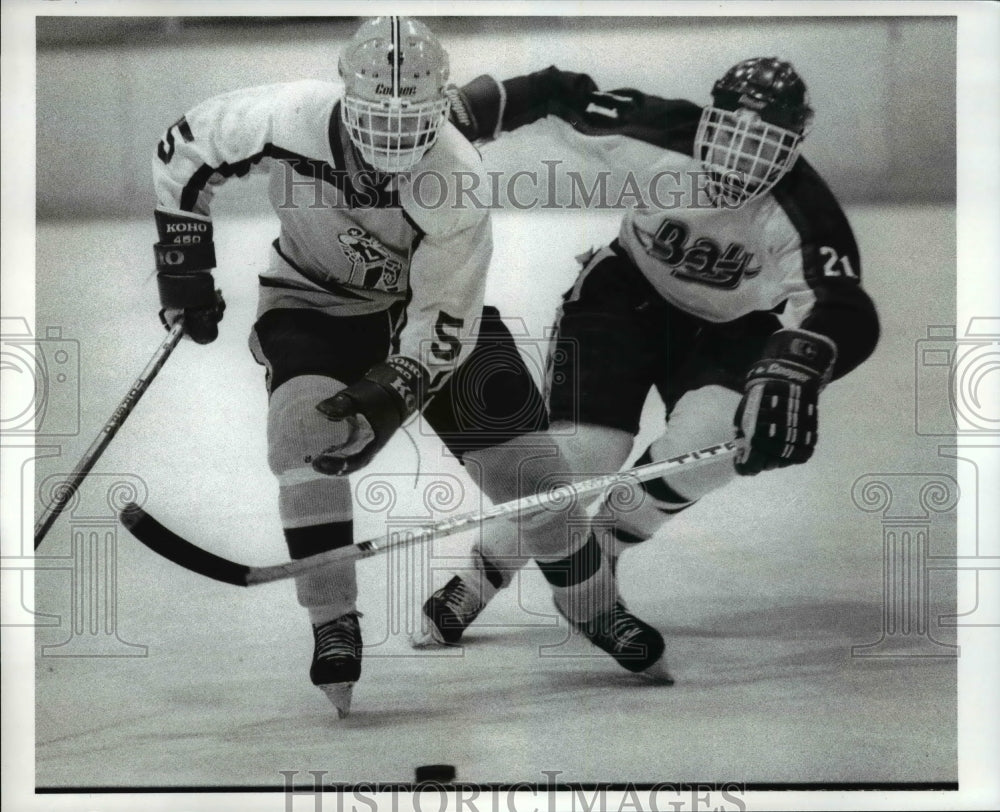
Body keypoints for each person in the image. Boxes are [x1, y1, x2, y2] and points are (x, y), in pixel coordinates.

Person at [150, 17, 668, 718]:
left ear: (442, 108)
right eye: (376, 120)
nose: (393, 146)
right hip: (313, 305)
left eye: (414, 123)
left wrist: (388, 395)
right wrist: (183, 266)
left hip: (424, 317)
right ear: (344, 97)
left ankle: (596, 609)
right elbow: (186, 150)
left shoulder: (457, 175)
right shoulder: (284, 115)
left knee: (535, 480)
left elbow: (442, 322)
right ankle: (333, 618)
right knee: (301, 435)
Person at [414, 59, 881, 662]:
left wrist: (800, 359)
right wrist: (471, 110)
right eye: (730, 136)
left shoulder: (804, 209)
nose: (740, 161)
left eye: (763, 146)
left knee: (714, 445)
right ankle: (479, 577)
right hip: (623, 300)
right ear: (707, 120)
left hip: (732, 328)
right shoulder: (657, 129)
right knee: (580, 457)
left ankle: (598, 553)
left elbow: (845, 306)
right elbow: (558, 91)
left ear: (794, 144)